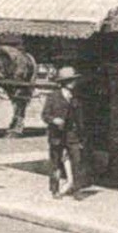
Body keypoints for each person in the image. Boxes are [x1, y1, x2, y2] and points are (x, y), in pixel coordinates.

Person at [41, 67, 85, 198]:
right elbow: (44, 115)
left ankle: (77, 190)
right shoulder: (53, 97)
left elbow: (80, 119)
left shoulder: (76, 98)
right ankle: (55, 190)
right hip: (56, 135)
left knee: (77, 161)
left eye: (74, 80)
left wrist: (82, 138)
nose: (74, 83)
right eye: (71, 80)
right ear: (64, 82)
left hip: (72, 135)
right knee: (55, 163)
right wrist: (53, 120)